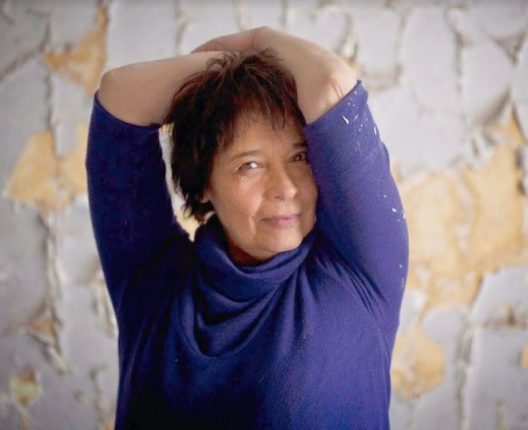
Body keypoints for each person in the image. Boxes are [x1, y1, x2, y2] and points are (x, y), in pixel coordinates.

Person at [86, 26, 409, 429]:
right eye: (250, 165)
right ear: (203, 183)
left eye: (299, 157)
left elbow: (330, 84)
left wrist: (257, 42)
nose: (285, 188)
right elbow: (120, 93)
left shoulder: (358, 269)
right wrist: (229, 75)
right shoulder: (152, 278)